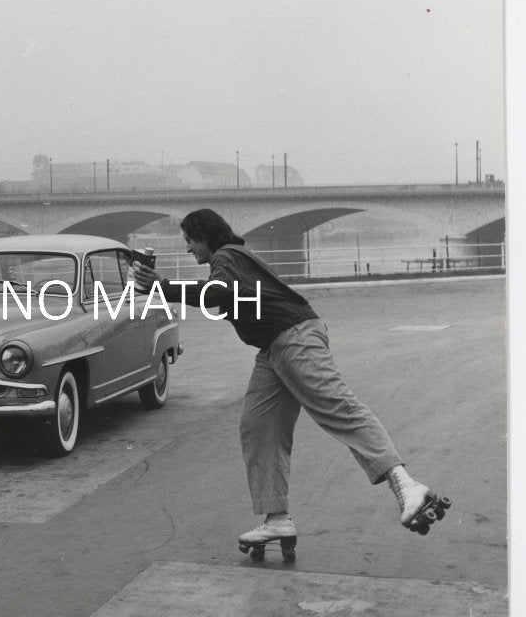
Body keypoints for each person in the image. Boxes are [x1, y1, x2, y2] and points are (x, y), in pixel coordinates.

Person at [132, 208, 442, 551]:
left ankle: (406, 486)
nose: (189, 249)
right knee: (258, 425)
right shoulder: (235, 259)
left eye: (190, 240)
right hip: (273, 348)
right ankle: (276, 519)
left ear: (206, 236)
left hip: (294, 337)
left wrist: (161, 286)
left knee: (338, 408)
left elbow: (219, 294)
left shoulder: (227, 256)